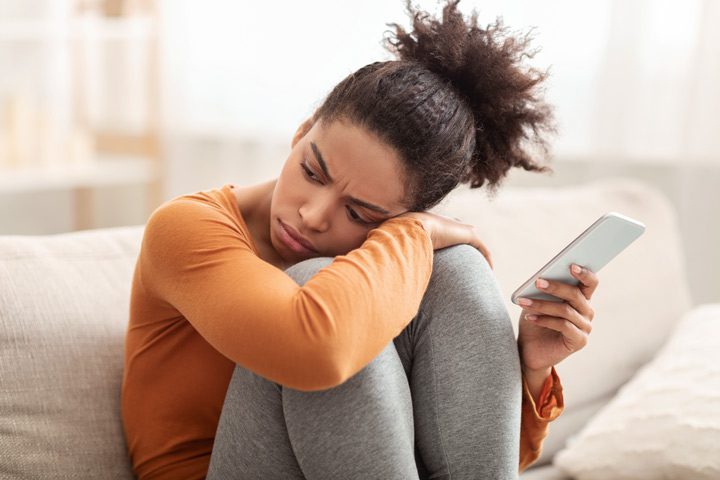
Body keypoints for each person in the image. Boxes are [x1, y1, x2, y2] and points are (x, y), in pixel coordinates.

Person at [121, 1, 598, 479]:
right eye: (311, 171)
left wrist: (529, 368)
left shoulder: (380, 264)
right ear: (302, 132)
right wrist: (415, 230)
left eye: (359, 212)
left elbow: (460, 459)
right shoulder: (185, 227)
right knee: (317, 287)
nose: (312, 216)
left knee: (456, 266)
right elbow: (314, 352)